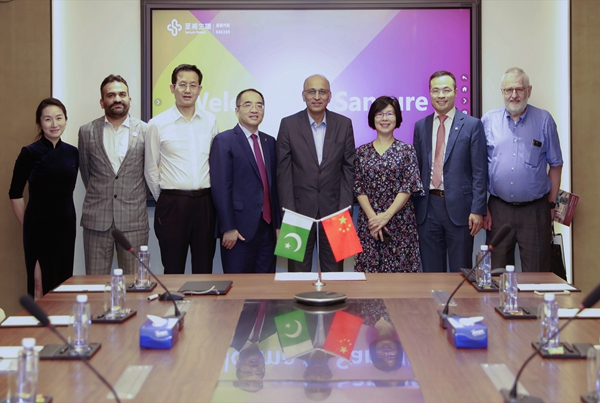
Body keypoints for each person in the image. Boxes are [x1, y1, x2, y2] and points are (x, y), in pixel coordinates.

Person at [482, 67, 563, 272]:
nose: (514, 95)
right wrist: (483, 207)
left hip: (535, 211)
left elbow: (556, 164)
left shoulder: (544, 120)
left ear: (529, 90)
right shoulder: (488, 121)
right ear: (502, 92)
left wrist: (551, 204)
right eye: (508, 90)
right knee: (495, 275)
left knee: (537, 275)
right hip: (498, 209)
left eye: (519, 89)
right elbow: (479, 168)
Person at [276, 74, 355, 272]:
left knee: (334, 275)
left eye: (322, 92)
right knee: (297, 275)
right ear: (303, 95)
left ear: (330, 96)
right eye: (312, 92)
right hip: (296, 214)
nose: (317, 97)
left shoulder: (344, 124)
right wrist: (288, 213)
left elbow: (348, 170)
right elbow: (283, 174)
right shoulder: (288, 125)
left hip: (336, 214)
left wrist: (344, 210)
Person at [145, 64, 218, 274]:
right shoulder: (157, 124)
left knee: (204, 269)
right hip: (173, 205)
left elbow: (215, 162)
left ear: (200, 89)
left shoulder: (210, 120)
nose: (187, 90)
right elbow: (150, 168)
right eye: (182, 84)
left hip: (205, 203)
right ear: (172, 88)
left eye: (193, 85)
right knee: (173, 268)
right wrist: (165, 199)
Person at [412, 71, 488, 273]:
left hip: (461, 210)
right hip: (428, 208)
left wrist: (478, 209)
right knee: (431, 273)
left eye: (446, 90)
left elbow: (479, 172)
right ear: (429, 93)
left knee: (460, 273)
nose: (441, 95)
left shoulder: (472, 125)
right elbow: (417, 170)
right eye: (435, 90)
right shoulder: (420, 126)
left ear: (455, 92)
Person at [78, 74, 149, 275]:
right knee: (95, 281)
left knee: (136, 282)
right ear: (102, 102)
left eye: (122, 94)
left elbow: (149, 172)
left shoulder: (146, 130)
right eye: (111, 95)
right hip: (97, 221)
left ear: (129, 99)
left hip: (133, 221)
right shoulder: (86, 131)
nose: (117, 99)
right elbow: (86, 172)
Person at [9, 98, 79, 299]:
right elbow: (15, 193)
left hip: (66, 224)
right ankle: (40, 320)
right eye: (48, 119)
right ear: (39, 123)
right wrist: (28, 225)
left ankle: (60, 319)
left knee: (62, 284)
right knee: (39, 283)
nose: (54, 124)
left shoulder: (73, 153)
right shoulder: (29, 153)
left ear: (65, 120)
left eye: (59, 118)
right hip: (38, 227)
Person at [210, 89, 281, 273]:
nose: (254, 109)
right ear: (237, 110)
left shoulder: (270, 142)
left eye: (259, 105)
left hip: (268, 230)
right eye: (248, 105)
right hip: (238, 230)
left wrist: (278, 225)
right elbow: (220, 188)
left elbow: (274, 188)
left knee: (266, 285)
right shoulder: (224, 140)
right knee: (239, 285)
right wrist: (228, 227)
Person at [354, 96, 423, 273]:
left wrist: (386, 216)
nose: (384, 118)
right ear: (372, 118)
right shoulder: (361, 152)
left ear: (397, 117)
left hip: (400, 222)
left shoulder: (407, 151)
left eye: (389, 114)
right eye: (379, 114)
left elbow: (408, 186)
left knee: (400, 279)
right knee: (369, 276)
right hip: (370, 223)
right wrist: (374, 219)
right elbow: (358, 187)